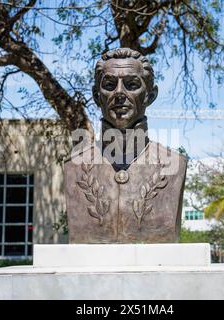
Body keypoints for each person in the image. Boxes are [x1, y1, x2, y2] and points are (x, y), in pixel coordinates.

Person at [64, 48, 187, 243]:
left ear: (150, 95)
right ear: (97, 96)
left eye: (131, 85)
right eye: (110, 85)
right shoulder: (74, 165)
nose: (119, 93)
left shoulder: (174, 163)